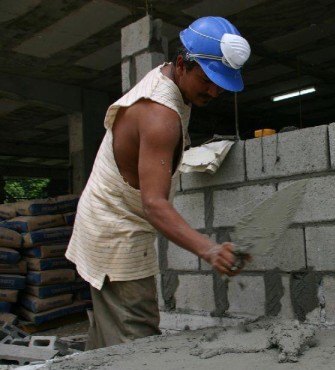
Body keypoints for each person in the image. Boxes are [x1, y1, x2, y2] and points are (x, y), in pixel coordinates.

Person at [65, 16, 251, 350]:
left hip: (114, 217)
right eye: (208, 79)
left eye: (222, 83)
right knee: (135, 339)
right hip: (115, 230)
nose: (215, 90)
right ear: (182, 64)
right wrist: (209, 249)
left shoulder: (172, 79)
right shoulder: (159, 115)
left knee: (109, 338)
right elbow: (154, 204)